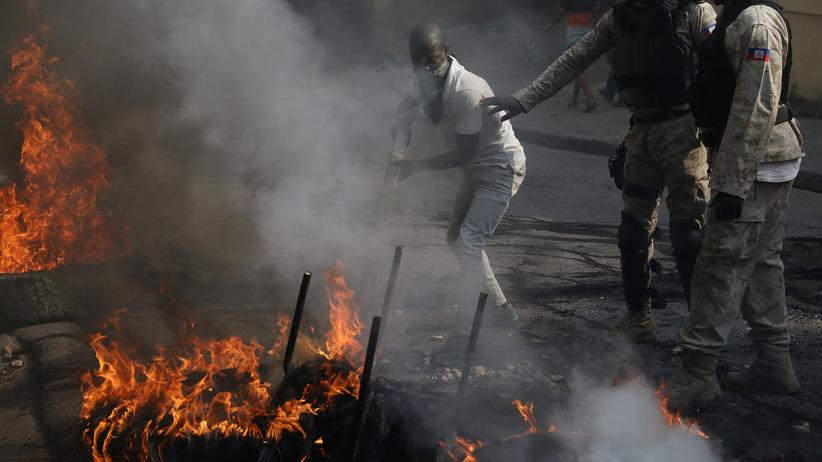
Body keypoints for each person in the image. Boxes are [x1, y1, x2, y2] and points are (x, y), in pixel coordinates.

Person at [482, 0, 717, 343]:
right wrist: (524, 99)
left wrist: (721, 130)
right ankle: (639, 318)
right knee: (633, 231)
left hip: (685, 129)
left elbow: (720, 68)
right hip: (641, 131)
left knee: (688, 234)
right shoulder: (620, 17)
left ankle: (701, 332)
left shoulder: (693, 12)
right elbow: (577, 56)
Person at [664, 0, 804, 410]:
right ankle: (774, 364)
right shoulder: (735, 14)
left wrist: (733, 184)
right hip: (765, 159)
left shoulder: (756, 21)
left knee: (719, 264)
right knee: (762, 260)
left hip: (757, 163)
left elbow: (757, 106)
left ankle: (697, 374)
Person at [393, 24, 527, 328]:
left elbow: (464, 154)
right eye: (417, 60)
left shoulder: (466, 91)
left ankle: (469, 323)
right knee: (456, 239)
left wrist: (417, 166)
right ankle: (501, 309)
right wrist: (401, 126)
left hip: (499, 169)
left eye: (431, 58)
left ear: (447, 51)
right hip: (475, 169)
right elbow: (407, 106)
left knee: (468, 244)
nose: (425, 66)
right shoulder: (423, 79)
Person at [545, 0, 600, 112]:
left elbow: (559, 16)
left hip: (573, 37)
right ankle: (574, 100)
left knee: (577, 69)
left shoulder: (568, 2)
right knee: (580, 69)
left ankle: (590, 98)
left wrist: (550, 26)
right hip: (588, 36)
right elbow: (597, 19)